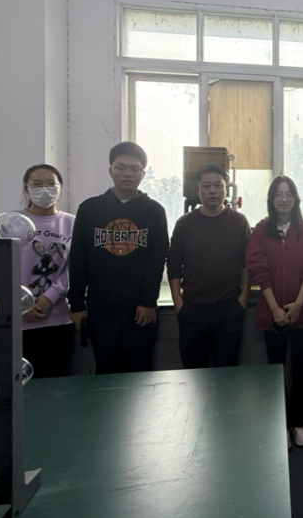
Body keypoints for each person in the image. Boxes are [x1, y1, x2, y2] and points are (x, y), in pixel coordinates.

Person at [68, 142, 168, 375]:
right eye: (121, 167)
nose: (127, 174)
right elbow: (79, 258)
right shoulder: (90, 209)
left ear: (143, 173)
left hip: (139, 310)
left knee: (140, 372)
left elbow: (157, 260)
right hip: (100, 309)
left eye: (134, 169)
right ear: (110, 170)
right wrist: (77, 303)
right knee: (105, 370)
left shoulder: (154, 211)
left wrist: (148, 302)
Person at [246, 176, 303, 447]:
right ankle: (279, 424)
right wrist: (275, 307)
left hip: (302, 312)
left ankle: (300, 422)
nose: (284, 199)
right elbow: (258, 269)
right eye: (278, 194)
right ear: (271, 199)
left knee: (301, 369)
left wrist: (298, 304)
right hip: (272, 313)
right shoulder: (260, 231)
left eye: (289, 194)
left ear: (296, 199)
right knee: (275, 371)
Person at [169, 164, 250, 369]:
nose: (213, 191)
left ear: (225, 189)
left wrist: (242, 299)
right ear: (198, 190)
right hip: (192, 311)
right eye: (206, 186)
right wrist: (178, 303)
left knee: (227, 372)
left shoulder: (239, 222)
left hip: (229, 311)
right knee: (193, 374)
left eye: (218, 185)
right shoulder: (184, 223)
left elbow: (247, 263)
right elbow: (174, 263)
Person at [20, 164, 76, 378]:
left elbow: (74, 267)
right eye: (36, 184)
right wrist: (23, 303)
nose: (44, 189)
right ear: (27, 189)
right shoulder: (11, 223)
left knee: (56, 382)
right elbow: (0, 268)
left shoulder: (72, 223)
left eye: (51, 184)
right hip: (19, 321)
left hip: (58, 320)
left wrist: (49, 297)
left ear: (60, 187)